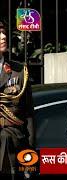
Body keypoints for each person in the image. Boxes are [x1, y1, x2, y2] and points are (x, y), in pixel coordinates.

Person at [0, 21, 35, 176]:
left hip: (12, 146)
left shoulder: (18, 71)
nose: (3, 37)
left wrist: (30, 154)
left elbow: (29, 115)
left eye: (3, 32)